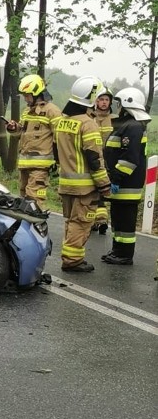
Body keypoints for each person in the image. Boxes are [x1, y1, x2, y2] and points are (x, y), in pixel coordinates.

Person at [53, 76, 111, 273]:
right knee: (82, 222)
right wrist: (104, 184)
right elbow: (95, 158)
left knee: (70, 221)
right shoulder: (88, 124)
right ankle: (72, 260)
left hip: (65, 183)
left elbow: (56, 152)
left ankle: (70, 256)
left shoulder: (62, 122)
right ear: (92, 97)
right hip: (84, 187)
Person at [102, 87, 151, 266]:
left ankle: (125, 254)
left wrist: (116, 178)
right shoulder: (126, 124)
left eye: (119, 103)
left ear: (127, 104)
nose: (116, 106)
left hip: (127, 183)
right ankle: (117, 250)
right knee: (117, 219)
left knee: (126, 221)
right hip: (121, 182)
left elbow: (130, 158)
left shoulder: (134, 127)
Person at [5, 74, 61, 210]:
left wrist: (58, 161)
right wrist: (14, 128)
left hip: (40, 167)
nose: (25, 98)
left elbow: (60, 138)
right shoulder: (27, 111)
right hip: (24, 164)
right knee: (23, 200)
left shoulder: (52, 111)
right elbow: (22, 134)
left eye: (27, 95)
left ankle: (37, 228)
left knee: (34, 200)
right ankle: (26, 229)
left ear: (37, 93)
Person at [88, 87, 114, 233]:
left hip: (109, 161)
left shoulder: (114, 119)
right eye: (101, 99)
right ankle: (98, 220)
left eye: (106, 100)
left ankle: (101, 220)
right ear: (95, 101)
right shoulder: (90, 118)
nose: (104, 103)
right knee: (93, 191)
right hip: (94, 159)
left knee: (101, 191)